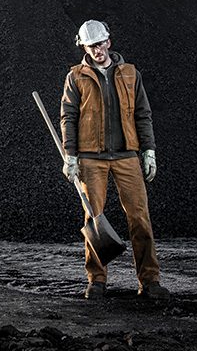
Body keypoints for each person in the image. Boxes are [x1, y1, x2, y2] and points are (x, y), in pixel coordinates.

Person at [59, 19, 170, 300]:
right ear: (83, 47)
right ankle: (96, 281)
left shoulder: (131, 74)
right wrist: (70, 155)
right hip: (90, 158)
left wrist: (149, 150)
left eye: (100, 43)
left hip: (126, 156)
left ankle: (149, 281)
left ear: (108, 42)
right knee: (94, 220)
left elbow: (143, 114)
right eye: (91, 46)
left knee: (140, 218)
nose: (97, 50)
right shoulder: (76, 77)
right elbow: (68, 117)